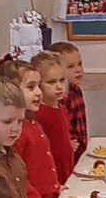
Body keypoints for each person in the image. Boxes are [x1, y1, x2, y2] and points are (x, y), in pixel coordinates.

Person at [1, 58, 60, 198]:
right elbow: (17, 173)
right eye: (31, 87)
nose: (39, 92)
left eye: (39, 86)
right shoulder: (17, 132)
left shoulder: (33, 122)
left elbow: (43, 162)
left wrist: (55, 185)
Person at [31, 50, 77, 184]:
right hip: (53, 168)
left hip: (66, 164)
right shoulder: (39, 112)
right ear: (39, 84)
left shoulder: (61, 107)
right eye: (51, 82)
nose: (59, 86)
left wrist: (68, 143)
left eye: (62, 80)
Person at [50, 39, 89, 162]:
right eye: (71, 66)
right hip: (69, 148)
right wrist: (67, 141)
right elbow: (59, 125)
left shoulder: (76, 90)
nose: (78, 70)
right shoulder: (61, 96)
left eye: (80, 64)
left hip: (80, 146)